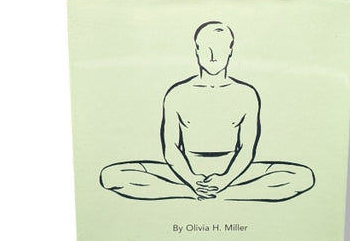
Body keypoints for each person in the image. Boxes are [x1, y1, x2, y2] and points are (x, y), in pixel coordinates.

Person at [100, 21, 315, 201]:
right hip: (184, 171)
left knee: (303, 177)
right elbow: (171, 149)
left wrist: (225, 179)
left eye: (220, 48)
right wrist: (191, 180)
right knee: (111, 176)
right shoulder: (177, 93)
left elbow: (247, 149)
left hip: (235, 172)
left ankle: (216, 194)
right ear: (197, 50)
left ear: (230, 50)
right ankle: (192, 193)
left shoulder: (247, 94)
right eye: (207, 48)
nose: (213, 56)